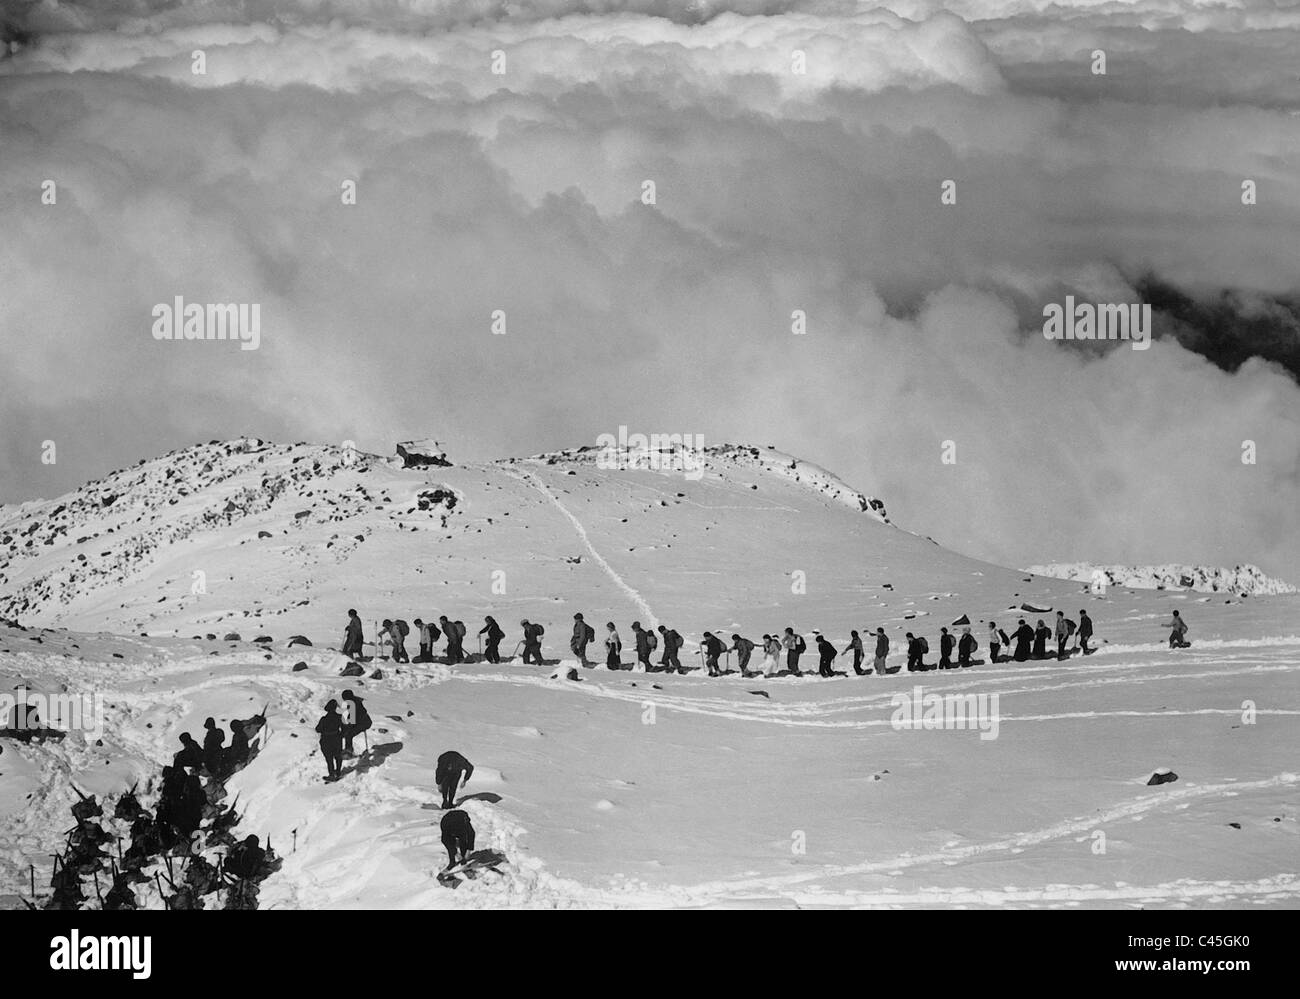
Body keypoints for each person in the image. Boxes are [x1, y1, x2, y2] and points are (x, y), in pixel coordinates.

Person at [316, 699, 344, 782]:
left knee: (329, 758)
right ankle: (338, 772)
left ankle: (332, 774)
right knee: (338, 756)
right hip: (336, 739)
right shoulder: (340, 717)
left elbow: (318, 729)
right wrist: (340, 735)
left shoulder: (324, 719)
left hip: (326, 740)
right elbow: (345, 728)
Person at [340, 689, 371, 757]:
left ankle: (348, 752)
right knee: (347, 731)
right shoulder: (353, 701)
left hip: (364, 723)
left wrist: (347, 727)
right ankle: (348, 750)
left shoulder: (353, 704)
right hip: (362, 721)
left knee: (349, 734)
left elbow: (353, 718)